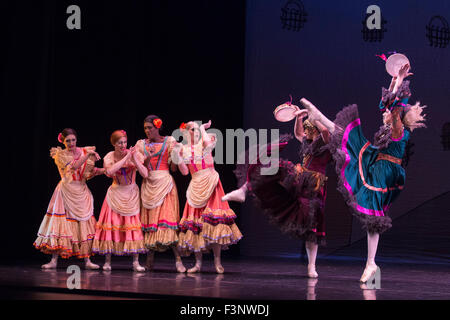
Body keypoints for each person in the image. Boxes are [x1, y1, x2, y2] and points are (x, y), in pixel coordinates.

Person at [302, 63, 426, 282]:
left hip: (385, 172)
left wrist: (400, 82)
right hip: (375, 161)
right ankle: (318, 115)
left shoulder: (399, 131)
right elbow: (387, 106)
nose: (387, 114)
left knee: (373, 216)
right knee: (349, 137)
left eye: (393, 112)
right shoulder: (390, 127)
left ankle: (371, 263)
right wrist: (395, 81)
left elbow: (394, 109)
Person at [222, 102, 332, 278]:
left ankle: (312, 266)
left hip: (315, 186)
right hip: (298, 179)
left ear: (316, 130)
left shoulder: (327, 144)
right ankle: (243, 190)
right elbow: (298, 133)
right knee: (270, 166)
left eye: (310, 130)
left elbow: (326, 131)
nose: (307, 133)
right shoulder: (307, 144)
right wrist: (299, 118)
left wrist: (314, 117)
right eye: (307, 130)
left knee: (312, 226)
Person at [174, 120, 243, 274]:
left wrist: (203, 129)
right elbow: (185, 172)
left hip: (211, 183)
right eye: (193, 129)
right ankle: (198, 263)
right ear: (185, 132)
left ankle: (217, 261)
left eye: (197, 129)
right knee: (196, 225)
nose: (196, 131)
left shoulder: (206, 140)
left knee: (214, 223)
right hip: (196, 185)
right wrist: (177, 156)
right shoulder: (183, 149)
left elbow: (206, 142)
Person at [34, 128, 105, 269]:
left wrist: (103, 171)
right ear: (63, 141)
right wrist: (88, 155)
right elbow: (73, 167)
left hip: (81, 191)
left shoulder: (85, 151)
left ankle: (87, 261)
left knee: (83, 224)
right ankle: (54, 260)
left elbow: (87, 174)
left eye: (73, 140)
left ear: (76, 139)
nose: (71, 143)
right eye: (68, 141)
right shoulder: (60, 155)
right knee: (61, 225)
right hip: (66, 191)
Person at [134, 115, 186, 273]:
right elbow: (140, 167)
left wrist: (177, 154)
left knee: (167, 222)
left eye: (150, 128)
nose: (147, 131)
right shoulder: (140, 144)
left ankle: (178, 260)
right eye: (145, 128)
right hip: (149, 184)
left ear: (158, 127)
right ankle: (150, 259)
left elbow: (177, 169)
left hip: (165, 184)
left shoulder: (169, 141)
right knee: (151, 225)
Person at [92, 130, 147, 272]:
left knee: (132, 226)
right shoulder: (109, 156)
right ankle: (108, 261)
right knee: (111, 226)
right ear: (114, 144)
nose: (123, 145)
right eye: (119, 143)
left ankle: (135, 262)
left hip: (131, 194)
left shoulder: (135, 154)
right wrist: (126, 157)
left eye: (124, 142)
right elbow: (109, 172)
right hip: (115, 193)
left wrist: (133, 157)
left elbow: (145, 173)